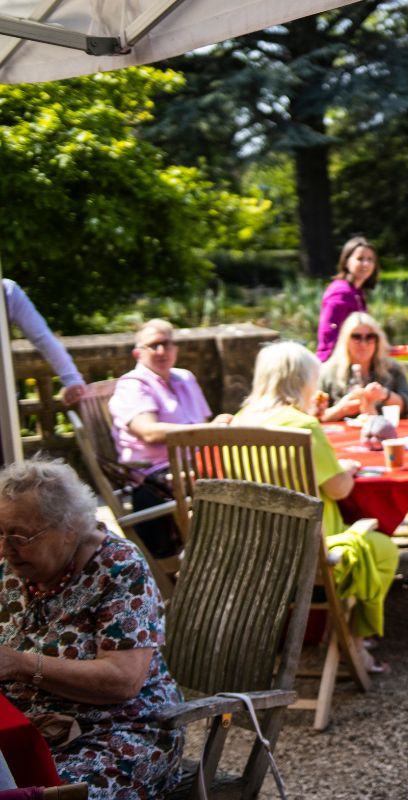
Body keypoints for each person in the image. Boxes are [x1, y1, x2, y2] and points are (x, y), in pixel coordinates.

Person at [0, 458, 182, 798]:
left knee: (51, 794)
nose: (5, 549)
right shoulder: (12, 567)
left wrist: (21, 664)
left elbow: (122, 680)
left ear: (69, 528)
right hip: (25, 729)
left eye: (20, 536)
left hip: (113, 733)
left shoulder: (119, 569)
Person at [233, 341, 397, 671]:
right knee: (384, 549)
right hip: (310, 552)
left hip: (254, 551)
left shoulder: (239, 421)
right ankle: (352, 640)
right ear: (303, 380)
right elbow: (338, 490)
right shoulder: (303, 425)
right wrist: (347, 470)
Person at [109, 319, 231, 558]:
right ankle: (217, 557)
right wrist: (207, 430)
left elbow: (203, 426)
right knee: (239, 488)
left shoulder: (185, 378)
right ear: (138, 353)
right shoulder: (133, 385)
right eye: (153, 346)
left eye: (166, 344)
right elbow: (149, 431)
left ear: (176, 349)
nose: (162, 351)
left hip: (192, 465)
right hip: (155, 477)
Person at [319, 312, 408, 422]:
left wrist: (385, 395)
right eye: (356, 337)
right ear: (345, 341)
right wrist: (341, 410)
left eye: (370, 337)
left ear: (377, 341)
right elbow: (314, 416)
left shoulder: (393, 369)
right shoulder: (328, 372)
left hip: (387, 435)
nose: (363, 344)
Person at [5, 279, 85, 406]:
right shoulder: (7, 290)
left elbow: (43, 338)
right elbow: (43, 338)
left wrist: (72, 379)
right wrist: (72, 379)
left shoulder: (6, 291)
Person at [316, 236, 379, 362]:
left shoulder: (357, 292)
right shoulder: (341, 292)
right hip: (334, 364)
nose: (366, 264)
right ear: (346, 262)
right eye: (360, 259)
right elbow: (328, 335)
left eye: (370, 259)